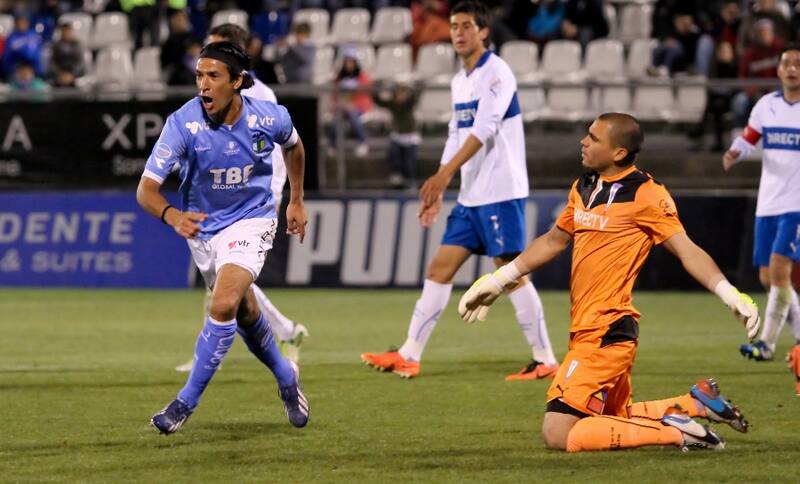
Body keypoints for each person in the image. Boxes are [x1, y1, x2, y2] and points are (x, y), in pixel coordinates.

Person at [458, 112, 761, 452]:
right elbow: (553, 241)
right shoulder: (584, 186)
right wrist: (498, 281)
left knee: (559, 433)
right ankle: (695, 404)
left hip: (607, 331)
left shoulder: (647, 193)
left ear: (618, 153)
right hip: (587, 329)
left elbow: (686, 250)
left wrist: (729, 293)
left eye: (594, 138)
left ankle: (678, 432)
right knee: (610, 417)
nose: (583, 141)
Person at [361, 1, 558, 380]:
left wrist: (444, 175)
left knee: (512, 273)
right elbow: (457, 133)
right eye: (454, 26)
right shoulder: (459, 79)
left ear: (484, 32)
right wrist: (440, 180)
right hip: (471, 196)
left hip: (501, 190)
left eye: (466, 26)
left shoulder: (497, 73)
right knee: (439, 269)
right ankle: (409, 354)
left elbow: (483, 130)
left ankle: (546, 359)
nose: (458, 33)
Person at [137, 41, 310, 434]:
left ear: (238, 82)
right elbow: (145, 190)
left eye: (213, 76)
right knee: (247, 313)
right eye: (199, 75)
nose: (203, 85)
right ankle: (286, 377)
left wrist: (296, 200)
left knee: (224, 301)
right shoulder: (183, 123)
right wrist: (171, 214)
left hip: (252, 219)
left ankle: (184, 402)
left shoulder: (270, 118)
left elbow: (294, 146)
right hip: (202, 229)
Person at [174, 23, 309, 373]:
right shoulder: (205, 99)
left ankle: (210, 354)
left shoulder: (261, 96)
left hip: (254, 196)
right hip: (220, 196)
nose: (206, 68)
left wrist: (280, 195)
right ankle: (286, 331)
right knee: (226, 279)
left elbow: (281, 147)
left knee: (228, 279)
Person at [723, 45, 800, 372]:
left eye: (798, 64)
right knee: (769, 279)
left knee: (781, 270)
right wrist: (734, 152)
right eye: (787, 64)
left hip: (796, 204)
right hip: (768, 202)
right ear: (779, 70)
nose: (792, 69)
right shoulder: (766, 106)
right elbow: (749, 138)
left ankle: (766, 345)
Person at [372, 80, 421, 189]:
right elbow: (378, 101)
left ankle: (410, 181)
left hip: (410, 136)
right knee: (394, 154)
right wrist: (376, 88)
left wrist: (414, 87)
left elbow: (416, 95)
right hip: (398, 136)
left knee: (409, 160)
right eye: (398, 94)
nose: (400, 96)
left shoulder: (409, 104)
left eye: (403, 94)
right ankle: (397, 175)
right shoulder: (392, 104)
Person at [327, 49, 372, 158]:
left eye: (351, 61)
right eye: (347, 61)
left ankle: (363, 142)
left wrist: (353, 105)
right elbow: (335, 96)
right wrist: (340, 105)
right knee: (336, 119)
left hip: (359, 108)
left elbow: (365, 95)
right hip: (342, 108)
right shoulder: (339, 78)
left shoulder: (363, 77)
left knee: (353, 115)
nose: (349, 64)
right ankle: (332, 145)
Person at [49, 22, 86, 88]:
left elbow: (80, 62)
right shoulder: (56, 45)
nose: (66, 33)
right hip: (60, 74)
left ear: (71, 32)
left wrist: (72, 74)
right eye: (64, 31)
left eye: (68, 31)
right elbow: (53, 62)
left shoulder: (77, 45)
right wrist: (59, 74)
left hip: (74, 74)